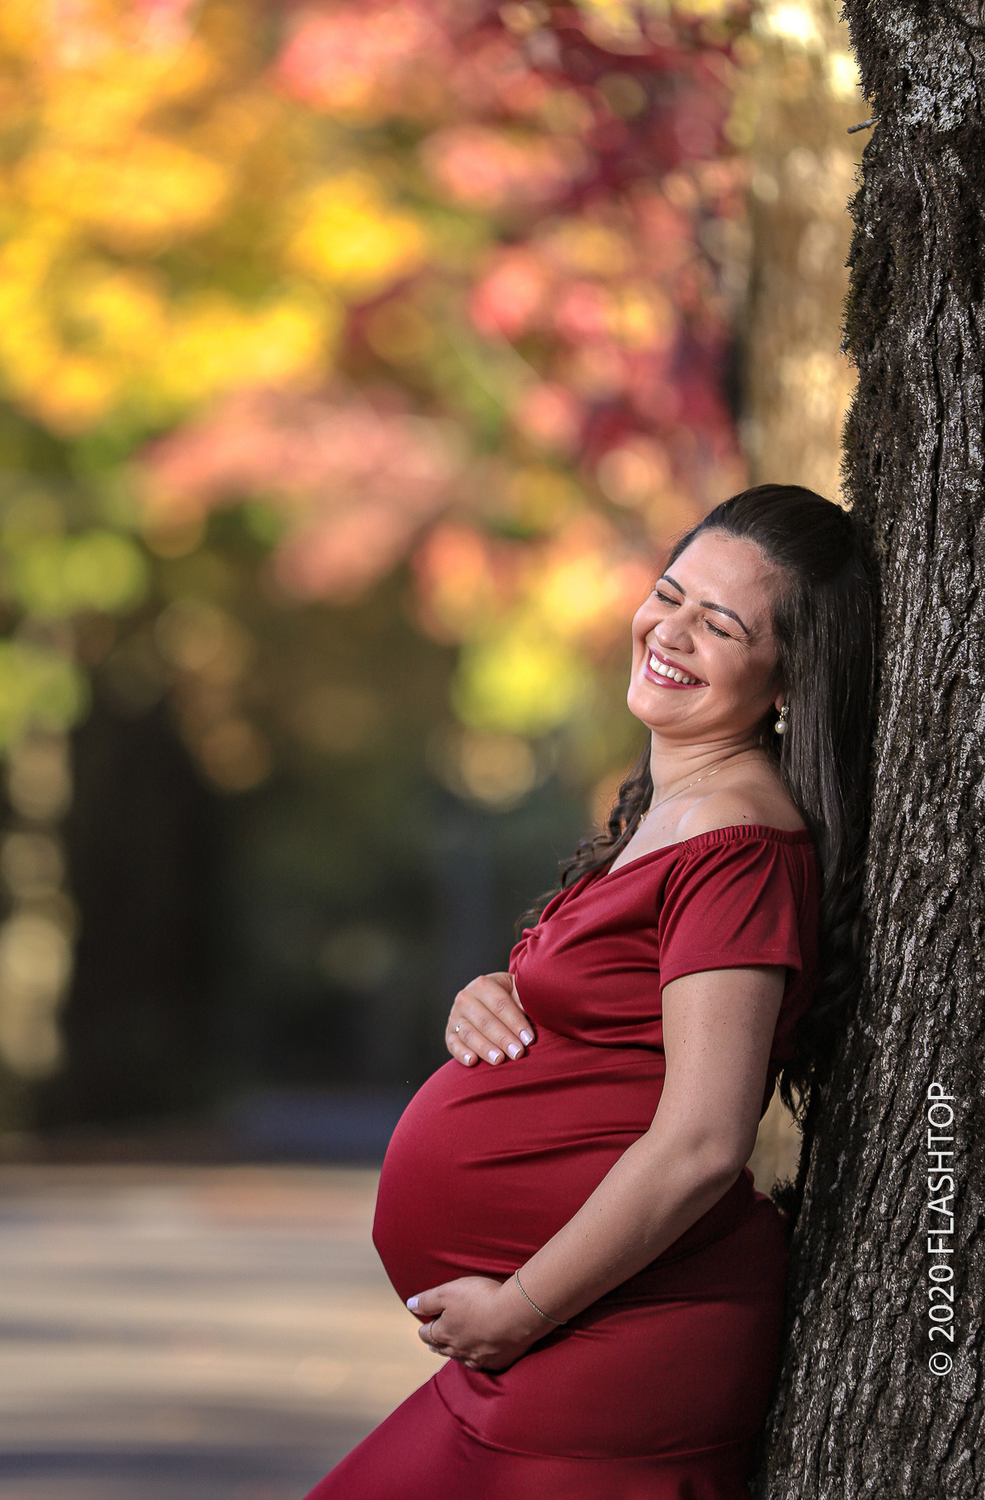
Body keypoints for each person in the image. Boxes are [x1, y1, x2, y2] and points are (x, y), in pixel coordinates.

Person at [304, 484, 876, 1500]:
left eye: (722, 625)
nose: (672, 632)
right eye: (670, 594)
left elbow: (702, 1141)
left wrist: (518, 1309)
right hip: (556, 1348)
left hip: (610, 1351)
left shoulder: (739, 843)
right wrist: (493, 995)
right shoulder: (668, 808)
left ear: (788, 679)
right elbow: (623, 1013)